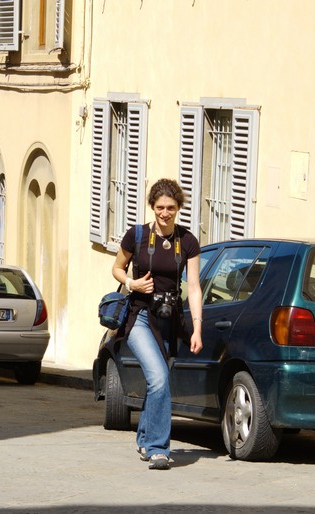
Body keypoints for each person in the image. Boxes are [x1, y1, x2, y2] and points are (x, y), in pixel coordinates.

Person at [111, 178, 203, 470]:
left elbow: (194, 287)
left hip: (170, 319)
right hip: (139, 316)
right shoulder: (136, 236)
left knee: (157, 381)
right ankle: (158, 449)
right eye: (160, 207)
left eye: (171, 208)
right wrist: (132, 283)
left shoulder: (187, 241)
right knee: (160, 377)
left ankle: (144, 438)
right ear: (152, 206)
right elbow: (117, 268)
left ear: (178, 208)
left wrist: (197, 328)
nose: (165, 213)